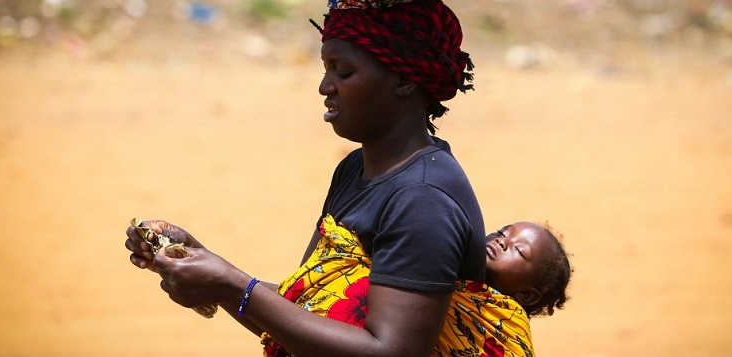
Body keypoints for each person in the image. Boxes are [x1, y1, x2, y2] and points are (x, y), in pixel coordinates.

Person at [125, 1, 493, 356]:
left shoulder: (422, 198)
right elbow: (302, 312)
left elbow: (391, 350)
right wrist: (205, 267)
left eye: (343, 72)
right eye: (326, 68)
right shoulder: (355, 170)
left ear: (404, 79)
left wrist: (233, 286)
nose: (324, 87)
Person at [257, 217, 572, 356]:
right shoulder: (436, 276)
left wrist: (238, 289)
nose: (502, 242)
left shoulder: (508, 331)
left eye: (518, 250)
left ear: (528, 294)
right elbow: (308, 312)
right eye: (503, 232)